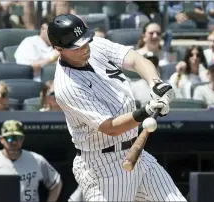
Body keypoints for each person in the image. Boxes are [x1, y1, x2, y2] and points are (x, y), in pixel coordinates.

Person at [48, 14, 186, 201]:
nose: (84, 48)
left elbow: (137, 60)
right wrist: (146, 111)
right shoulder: (67, 86)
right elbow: (111, 127)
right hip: (103, 167)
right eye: (77, 46)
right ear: (59, 49)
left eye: (85, 41)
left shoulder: (95, 45)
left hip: (137, 155)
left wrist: (156, 84)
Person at [0, 120, 62, 202]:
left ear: (23, 139)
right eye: (9, 138)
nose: (14, 142)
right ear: (1, 139)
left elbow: (56, 183)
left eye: (17, 138)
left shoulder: (37, 160)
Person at [14, 17, 60, 82]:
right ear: (43, 28)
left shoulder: (58, 45)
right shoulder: (30, 42)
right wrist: (52, 58)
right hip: (35, 81)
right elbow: (28, 68)